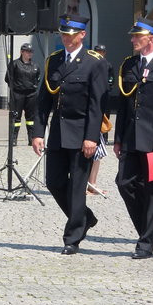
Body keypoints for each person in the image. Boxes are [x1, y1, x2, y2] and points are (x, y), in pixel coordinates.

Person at [32, 15, 107, 255]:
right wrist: (37, 132)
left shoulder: (94, 63)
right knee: (54, 182)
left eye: (71, 35)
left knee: (76, 186)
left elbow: (97, 105)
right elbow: (43, 100)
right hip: (58, 132)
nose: (66, 39)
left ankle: (72, 236)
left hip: (81, 132)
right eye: (64, 34)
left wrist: (91, 137)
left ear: (82, 35)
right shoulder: (53, 61)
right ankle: (85, 217)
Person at [113, 18, 153, 258]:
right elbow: (123, 105)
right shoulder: (129, 65)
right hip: (131, 136)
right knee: (124, 183)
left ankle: (145, 243)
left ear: (150, 39)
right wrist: (118, 138)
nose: (132, 40)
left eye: (136, 37)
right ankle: (147, 229)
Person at [87, 44, 112, 196]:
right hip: (87, 115)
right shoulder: (86, 65)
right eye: (97, 52)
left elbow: (109, 83)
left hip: (100, 110)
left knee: (98, 153)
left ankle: (92, 183)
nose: (99, 54)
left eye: (102, 52)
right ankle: (85, 184)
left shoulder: (106, 65)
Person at [5, 43, 40, 146]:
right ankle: (14, 139)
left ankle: (31, 139)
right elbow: (8, 79)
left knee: (31, 118)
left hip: (31, 95)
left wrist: (34, 87)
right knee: (16, 117)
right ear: (22, 52)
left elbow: (37, 78)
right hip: (18, 94)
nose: (30, 54)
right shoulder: (14, 64)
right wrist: (16, 88)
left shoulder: (35, 65)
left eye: (31, 52)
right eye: (27, 52)